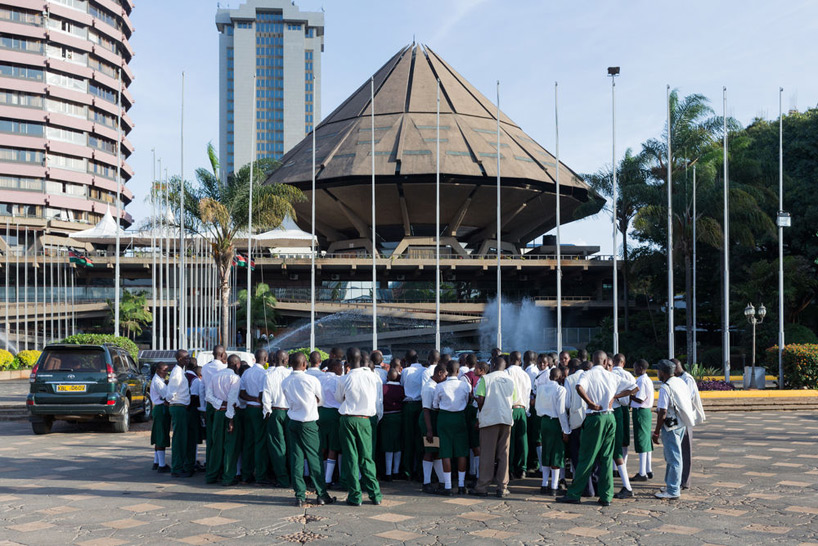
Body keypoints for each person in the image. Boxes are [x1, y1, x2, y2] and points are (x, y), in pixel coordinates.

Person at [556, 350, 637, 506]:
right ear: (606, 362)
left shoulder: (587, 374)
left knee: (586, 456)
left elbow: (579, 387)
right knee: (606, 457)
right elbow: (634, 388)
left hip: (595, 416)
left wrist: (591, 403)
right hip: (610, 417)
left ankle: (574, 493)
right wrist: (615, 397)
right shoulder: (612, 376)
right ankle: (606, 495)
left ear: (593, 361)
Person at [281, 352, 336, 507]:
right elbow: (321, 400)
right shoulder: (311, 380)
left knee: (296, 459)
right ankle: (321, 494)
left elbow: (287, 400)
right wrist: (311, 403)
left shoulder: (285, 381)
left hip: (293, 421)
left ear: (291, 364)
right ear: (304, 364)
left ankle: (299, 495)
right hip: (308, 422)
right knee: (314, 459)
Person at [335, 347, 383, 506]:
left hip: (348, 419)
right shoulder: (373, 376)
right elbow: (378, 399)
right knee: (367, 457)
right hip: (365, 419)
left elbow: (338, 398)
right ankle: (375, 494)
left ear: (347, 361)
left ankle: (355, 496)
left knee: (351, 457)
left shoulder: (344, 378)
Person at [471, 356, 516, 498]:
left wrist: (480, 411)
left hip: (490, 418)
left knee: (487, 454)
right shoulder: (510, 380)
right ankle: (502, 487)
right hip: (506, 419)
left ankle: (482, 486)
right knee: (503, 454)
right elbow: (513, 400)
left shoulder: (486, 379)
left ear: (494, 364)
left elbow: (481, 399)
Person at [653, 359, 692, 500]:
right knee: (672, 457)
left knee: (674, 458)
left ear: (662, 372)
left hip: (670, 426)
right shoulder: (679, 382)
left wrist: (656, 431)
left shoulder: (665, 387)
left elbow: (662, 412)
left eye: (658, 370)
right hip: (680, 423)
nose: (657, 373)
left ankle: (673, 490)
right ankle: (670, 485)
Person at [432, 359, 472, 495]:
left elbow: (435, 405)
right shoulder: (465, 386)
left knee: (446, 452)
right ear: (458, 371)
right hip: (459, 417)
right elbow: (467, 401)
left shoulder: (440, 386)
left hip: (444, 418)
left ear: (447, 371)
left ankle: (448, 486)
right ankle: (461, 485)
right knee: (461, 452)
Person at [206, 354, 241, 486]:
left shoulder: (216, 376)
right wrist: (230, 418)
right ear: (237, 365)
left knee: (216, 445)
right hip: (229, 413)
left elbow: (208, 396)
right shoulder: (235, 378)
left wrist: (219, 403)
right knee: (230, 446)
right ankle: (227, 477)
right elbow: (232, 399)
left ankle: (211, 475)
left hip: (218, 413)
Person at [535, 367, 570, 495]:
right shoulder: (560, 389)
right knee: (556, 453)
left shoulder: (541, 388)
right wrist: (566, 429)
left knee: (546, 452)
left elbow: (537, 407)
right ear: (560, 378)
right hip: (555, 422)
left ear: (549, 376)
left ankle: (544, 484)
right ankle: (554, 486)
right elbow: (561, 411)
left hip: (544, 421)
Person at [261, 350, 291, 488]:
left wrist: (267, 413)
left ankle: (282, 478)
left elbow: (266, 397)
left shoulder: (269, 375)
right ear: (285, 361)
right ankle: (293, 476)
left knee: (278, 447)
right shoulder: (291, 374)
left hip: (276, 411)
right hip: (291, 412)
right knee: (292, 446)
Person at [674, 359, 705, 490]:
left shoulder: (687, 379)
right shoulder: (679, 378)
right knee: (678, 451)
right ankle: (679, 479)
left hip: (686, 419)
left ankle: (685, 481)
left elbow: (687, 397)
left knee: (686, 451)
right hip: (679, 419)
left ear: (675, 368)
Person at [239, 350, 268, 485]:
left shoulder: (246, 372)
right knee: (260, 442)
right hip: (258, 410)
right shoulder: (264, 374)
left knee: (248, 442)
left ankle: (246, 474)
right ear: (266, 358)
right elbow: (263, 396)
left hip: (249, 409)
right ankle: (260, 476)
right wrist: (258, 400)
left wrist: (252, 398)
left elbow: (242, 393)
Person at [610, 353, 636, 499]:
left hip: (614, 410)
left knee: (615, 447)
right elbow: (634, 389)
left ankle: (626, 485)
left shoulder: (613, 376)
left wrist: (615, 397)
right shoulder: (627, 376)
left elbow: (634, 389)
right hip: (619, 409)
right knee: (619, 444)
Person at [420, 364, 447, 494]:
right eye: (445, 375)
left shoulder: (435, 386)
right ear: (439, 373)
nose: (446, 378)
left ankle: (442, 481)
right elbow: (426, 410)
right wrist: (429, 430)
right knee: (429, 451)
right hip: (428, 421)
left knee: (436, 451)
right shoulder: (429, 388)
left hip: (434, 420)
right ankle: (426, 483)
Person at [202, 346, 227, 479]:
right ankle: (220, 468)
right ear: (223, 354)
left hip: (209, 403)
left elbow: (202, 387)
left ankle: (210, 466)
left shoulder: (205, 368)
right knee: (221, 439)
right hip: (221, 404)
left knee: (210, 438)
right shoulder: (224, 368)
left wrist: (203, 407)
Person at [167, 350, 193, 478]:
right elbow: (171, 391)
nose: (188, 360)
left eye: (188, 358)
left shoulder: (181, 371)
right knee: (179, 439)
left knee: (183, 438)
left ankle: (180, 465)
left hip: (181, 406)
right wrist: (170, 401)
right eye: (185, 358)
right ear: (179, 359)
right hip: (178, 406)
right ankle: (177, 468)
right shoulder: (177, 372)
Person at [400, 350, 425, 480]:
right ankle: (420, 470)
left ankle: (407, 470)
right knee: (420, 439)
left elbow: (402, 385)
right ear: (418, 357)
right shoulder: (424, 370)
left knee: (408, 439)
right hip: (421, 405)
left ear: (406, 360)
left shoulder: (405, 371)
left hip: (409, 405)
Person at [319, 359, 344, 488]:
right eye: (341, 367)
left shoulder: (320, 378)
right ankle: (328, 479)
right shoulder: (339, 380)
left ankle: (321, 476)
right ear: (335, 367)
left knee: (322, 445)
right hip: (334, 414)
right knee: (333, 447)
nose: (342, 369)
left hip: (321, 412)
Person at [506, 351, 531, 479]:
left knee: (510, 441)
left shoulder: (507, 373)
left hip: (510, 408)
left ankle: (509, 469)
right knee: (522, 440)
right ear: (520, 361)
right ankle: (522, 469)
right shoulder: (525, 375)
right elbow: (527, 393)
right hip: (522, 408)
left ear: (510, 359)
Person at [630, 359, 654, 482]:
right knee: (645, 440)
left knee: (642, 441)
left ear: (640, 368)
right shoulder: (646, 379)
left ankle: (642, 472)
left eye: (635, 367)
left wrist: (628, 395)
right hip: (644, 412)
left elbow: (640, 399)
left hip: (641, 411)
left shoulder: (642, 380)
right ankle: (648, 469)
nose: (634, 370)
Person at [380, 367, 404, 481]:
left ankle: (388, 473)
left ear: (387, 377)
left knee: (388, 445)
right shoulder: (401, 389)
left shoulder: (383, 388)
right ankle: (396, 471)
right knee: (397, 445)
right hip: (398, 416)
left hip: (387, 417)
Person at [150, 363, 171, 473]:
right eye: (164, 370)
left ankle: (157, 461)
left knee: (159, 434)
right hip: (161, 408)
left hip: (159, 408)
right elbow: (167, 396)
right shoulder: (158, 382)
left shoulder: (158, 380)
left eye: (167, 370)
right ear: (157, 370)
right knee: (161, 434)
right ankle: (162, 465)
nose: (166, 373)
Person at [189, 364, 207, 472]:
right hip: (201, 411)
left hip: (200, 411)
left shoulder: (198, 381)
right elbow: (196, 396)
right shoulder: (198, 382)